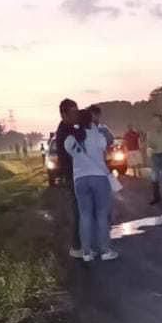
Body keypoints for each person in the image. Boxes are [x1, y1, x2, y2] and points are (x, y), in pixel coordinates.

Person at [64, 108, 119, 263]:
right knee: (101, 215)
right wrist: (99, 127)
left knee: (85, 215)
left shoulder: (70, 138)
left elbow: (70, 151)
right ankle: (105, 251)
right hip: (99, 177)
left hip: (80, 179)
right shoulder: (96, 134)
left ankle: (87, 252)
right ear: (90, 120)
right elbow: (107, 142)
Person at [54, 99, 83, 258]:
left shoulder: (69, 127)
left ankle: (81, 243)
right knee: (78, 211)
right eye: (73, 112)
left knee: (81, 210)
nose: (76, 115)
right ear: (64, 114)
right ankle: (76, 246)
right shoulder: (65, 131)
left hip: (76, 175)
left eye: (77, 112)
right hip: (73, 176)